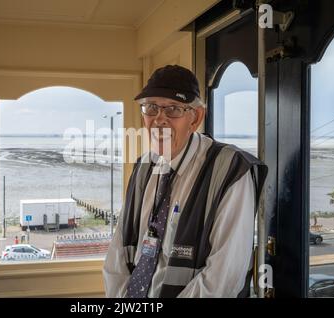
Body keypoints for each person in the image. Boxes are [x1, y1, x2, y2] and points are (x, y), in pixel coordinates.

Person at [103, 65, 268, 298]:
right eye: (151, 108)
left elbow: (223, 280)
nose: (159, 119)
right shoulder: (142, 167)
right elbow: (117, 256)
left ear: (196, 117)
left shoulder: (230, 170)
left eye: (173, 109)